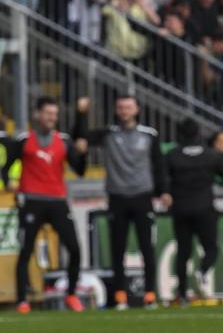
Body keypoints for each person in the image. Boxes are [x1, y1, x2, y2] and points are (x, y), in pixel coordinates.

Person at [74, 95, 170, 310]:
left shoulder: (149, 134)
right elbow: (81, 139)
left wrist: (164, 191)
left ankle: (150, 295)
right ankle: (120, 296)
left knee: (147, 248)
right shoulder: (109, 133)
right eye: (121, 107)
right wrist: (81, 114)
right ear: (116, 111)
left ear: (136, 109)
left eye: (128, 107)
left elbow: (158, 164)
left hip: (143, 197)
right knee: (118, 249)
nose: (124, 111)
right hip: (117, 197)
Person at [0, 97, 88, 313]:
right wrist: (9, 182)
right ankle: (22, 300)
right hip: (32, 202)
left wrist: (82, 154)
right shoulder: (23, 140)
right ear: (37, 115)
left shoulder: (64, 141)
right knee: (26, 250)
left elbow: (80, 170)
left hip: (58, 201)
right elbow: (5, 167)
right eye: (48, 113)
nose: (51, 118)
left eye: (54, 114)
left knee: (75, 249)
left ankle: (71, 294)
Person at [164, 118, 223, 305]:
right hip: (205, 208)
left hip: (181, 208)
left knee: (183, 252)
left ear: (179, 134)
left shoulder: (172, 155)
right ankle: (202, 271)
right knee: (211, 247)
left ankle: (181, 294)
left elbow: (163, 179)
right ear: (198, 134)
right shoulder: (209, 155)